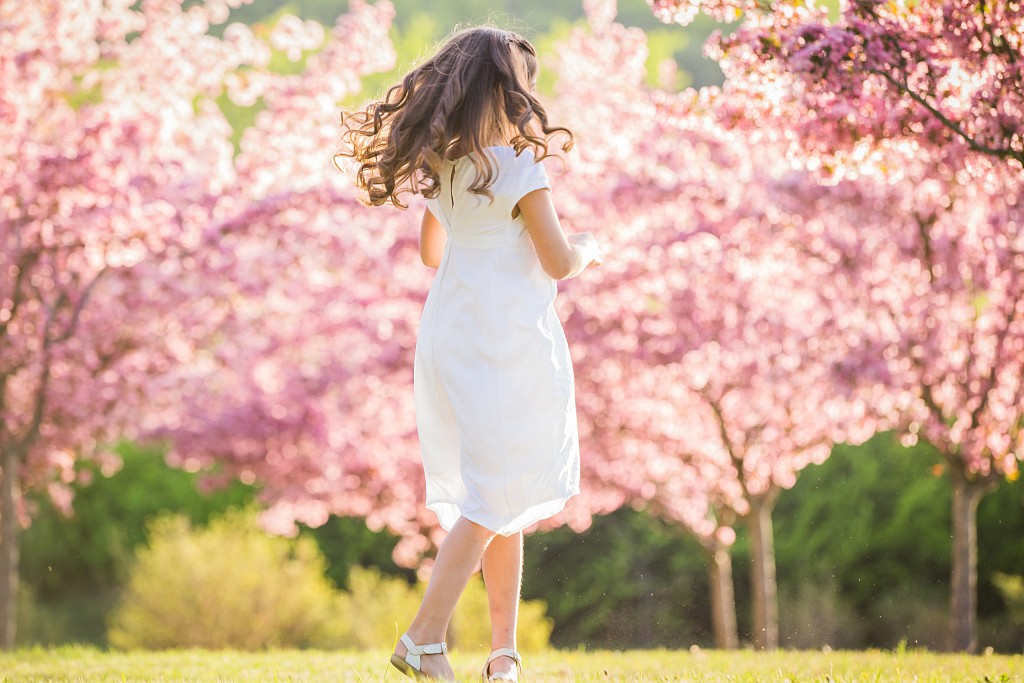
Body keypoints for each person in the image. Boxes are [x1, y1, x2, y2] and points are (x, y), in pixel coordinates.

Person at [337, 25, 602, 682]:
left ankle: (503, 655)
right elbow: (559, 260)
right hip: (502, 339)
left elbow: (431, 254)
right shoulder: (518, 167)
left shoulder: (444, 164)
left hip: (452, 332)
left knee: (499, 489)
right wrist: (596, 246)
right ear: (509, 92)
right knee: (493, 495)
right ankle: (424, 637)